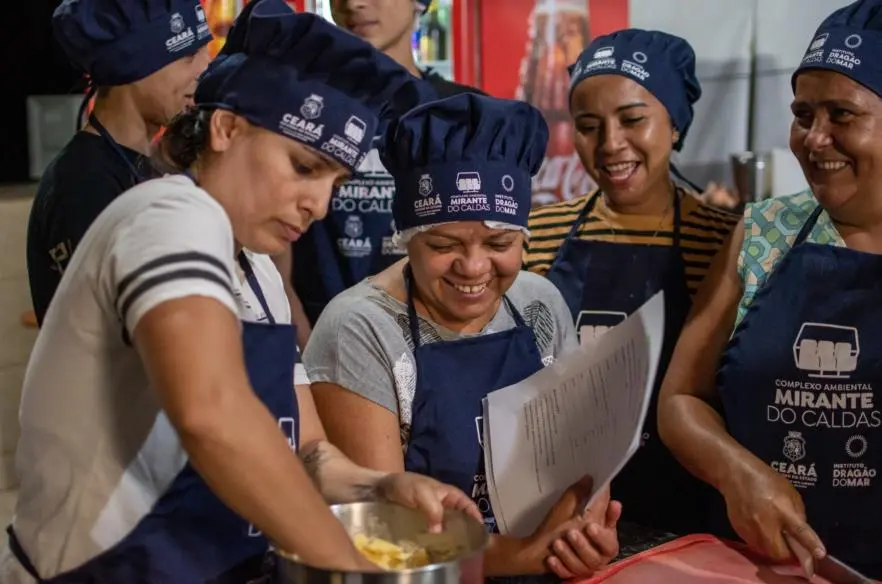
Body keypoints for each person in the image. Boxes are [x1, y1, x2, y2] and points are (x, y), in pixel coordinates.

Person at [0, 3, 478, 583]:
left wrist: (377, 486)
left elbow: (306, 449)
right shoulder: (167, 216)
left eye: (336, 182)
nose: (319, 204)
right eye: (304, 167)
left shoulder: (258, 272)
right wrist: (346, 561)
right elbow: (211, 412)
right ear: (226, 128)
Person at [304, 92, 621, 580]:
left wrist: (584, 534)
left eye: (499, 243)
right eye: (444, 244)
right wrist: (521, 556)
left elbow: (581, 457)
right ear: (407, 238)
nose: (473, 267)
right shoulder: (361, 328)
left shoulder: (539, 304)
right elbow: (386, 531)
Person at [657, 0, 882, 577]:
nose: (815, 138)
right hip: (752, 566)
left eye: (842, 114)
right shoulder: (762, 233)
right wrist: (738, 472)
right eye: (803, 114)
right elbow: (681, 401)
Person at [523, 29, 739, 538]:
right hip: (561, 510)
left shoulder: (724, 242)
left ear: (675, 125)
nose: (610, 144)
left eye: (632, 119)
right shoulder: (540, 233)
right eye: (588, 126)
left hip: (685, 510)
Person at [281, 0, 482, 337]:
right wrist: (310, 349)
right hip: (321, 339)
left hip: (436, 344)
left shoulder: (465, 114)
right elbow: (275, 261)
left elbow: (485, 253)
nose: (353, 4)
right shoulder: (302, 107)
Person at [27, 0, 214, 325]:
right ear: (132, 66)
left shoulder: (151, 165)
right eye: (188, 54)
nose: (205, 66)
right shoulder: (83, 184)